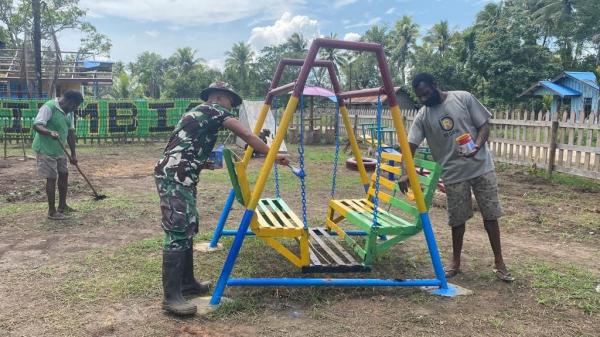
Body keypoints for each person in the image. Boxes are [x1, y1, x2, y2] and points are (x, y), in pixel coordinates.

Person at [154, 81, 289, 316]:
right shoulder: (215, 110)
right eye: (231, 102)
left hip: (179, 174)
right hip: (175, 177)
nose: (232, 108)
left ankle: (187, 283)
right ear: (220, 97)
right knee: (178, 229)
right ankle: (171, 298)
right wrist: (274, 154)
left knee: (187, 226)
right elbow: (246, 134)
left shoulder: (195, 112)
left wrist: (201, 162)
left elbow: (183, 144)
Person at [399, 73, 514, 283]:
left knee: (490, 217)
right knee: (457, 221)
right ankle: (455, 263)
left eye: (425, 93)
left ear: (435, 85)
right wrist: (404, 170)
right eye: (419, 96)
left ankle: (499, 262)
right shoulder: (423, 116)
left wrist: (477, 146)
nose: (423, 99)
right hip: (453, 174)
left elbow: (484, 126)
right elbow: (410, 146)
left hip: (481, 167)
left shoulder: (463, 98)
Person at [32, 90, 83, 220]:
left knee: (64, 174)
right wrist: (49, 132)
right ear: (68, 102)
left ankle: (62, 205)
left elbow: (71, 133)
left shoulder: (69, 113)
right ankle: (52, 211)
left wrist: (73, 154)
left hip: (59, 150)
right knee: (51, 178)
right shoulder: (49, 107)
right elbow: (37, 125)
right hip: (45, 149)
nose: (74, 109)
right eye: (74, 106)